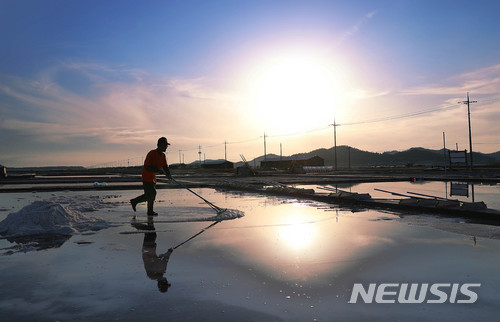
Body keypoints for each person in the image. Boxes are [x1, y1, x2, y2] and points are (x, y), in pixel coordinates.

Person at [130, 137, 172, 216]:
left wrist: (169, 175)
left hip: (152, 177)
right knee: (152, 193)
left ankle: (135, 201)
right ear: (159, 145)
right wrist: (157, 170)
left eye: (167, 145)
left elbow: (165, 166)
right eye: (165, 145)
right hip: (146, 176)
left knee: (149, 195)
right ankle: (148, 211)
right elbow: (147, 166)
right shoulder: (151, 153)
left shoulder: (163, 156)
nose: (166, 147)